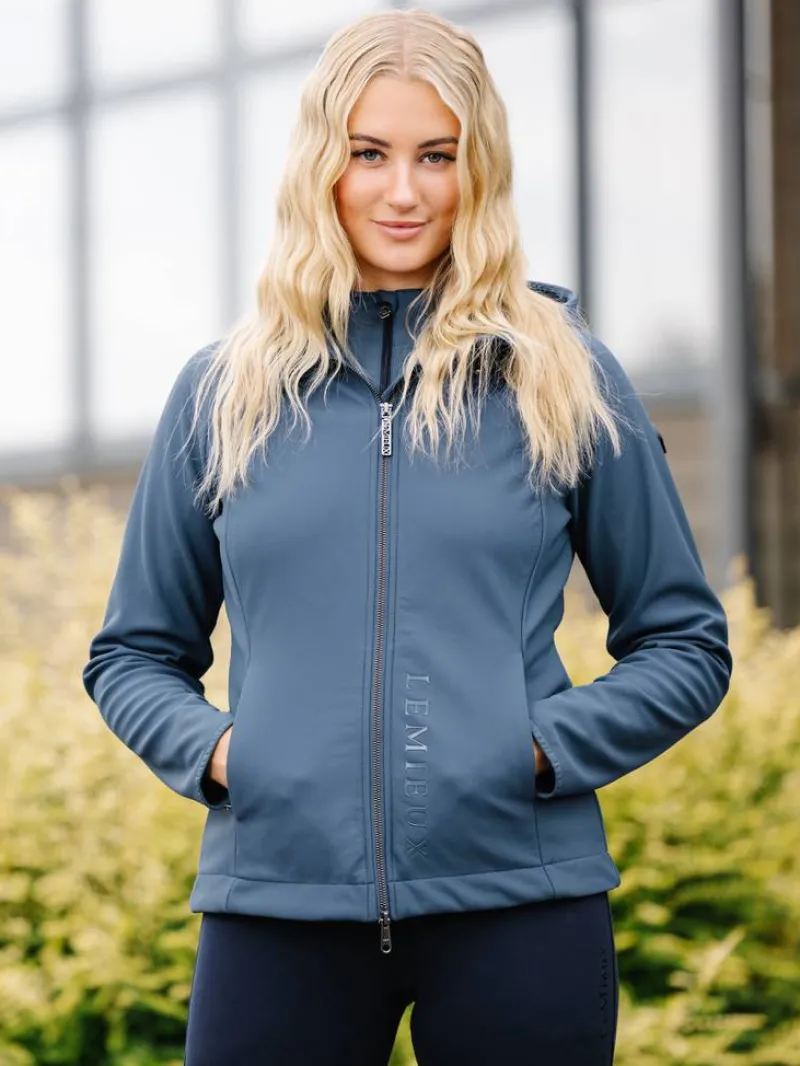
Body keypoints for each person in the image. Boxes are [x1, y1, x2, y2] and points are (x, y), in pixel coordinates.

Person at [82, 8, 733, 1064]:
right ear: (320, 167)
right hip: (277, 906)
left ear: (479, 170)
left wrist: (534, 750)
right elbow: (132, 654)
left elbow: (684, 644)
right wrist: (228, 756)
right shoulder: (222, 394)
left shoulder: (562, 376)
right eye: (368, 153)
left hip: (521, 902)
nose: (402, 191)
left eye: (437, 155)